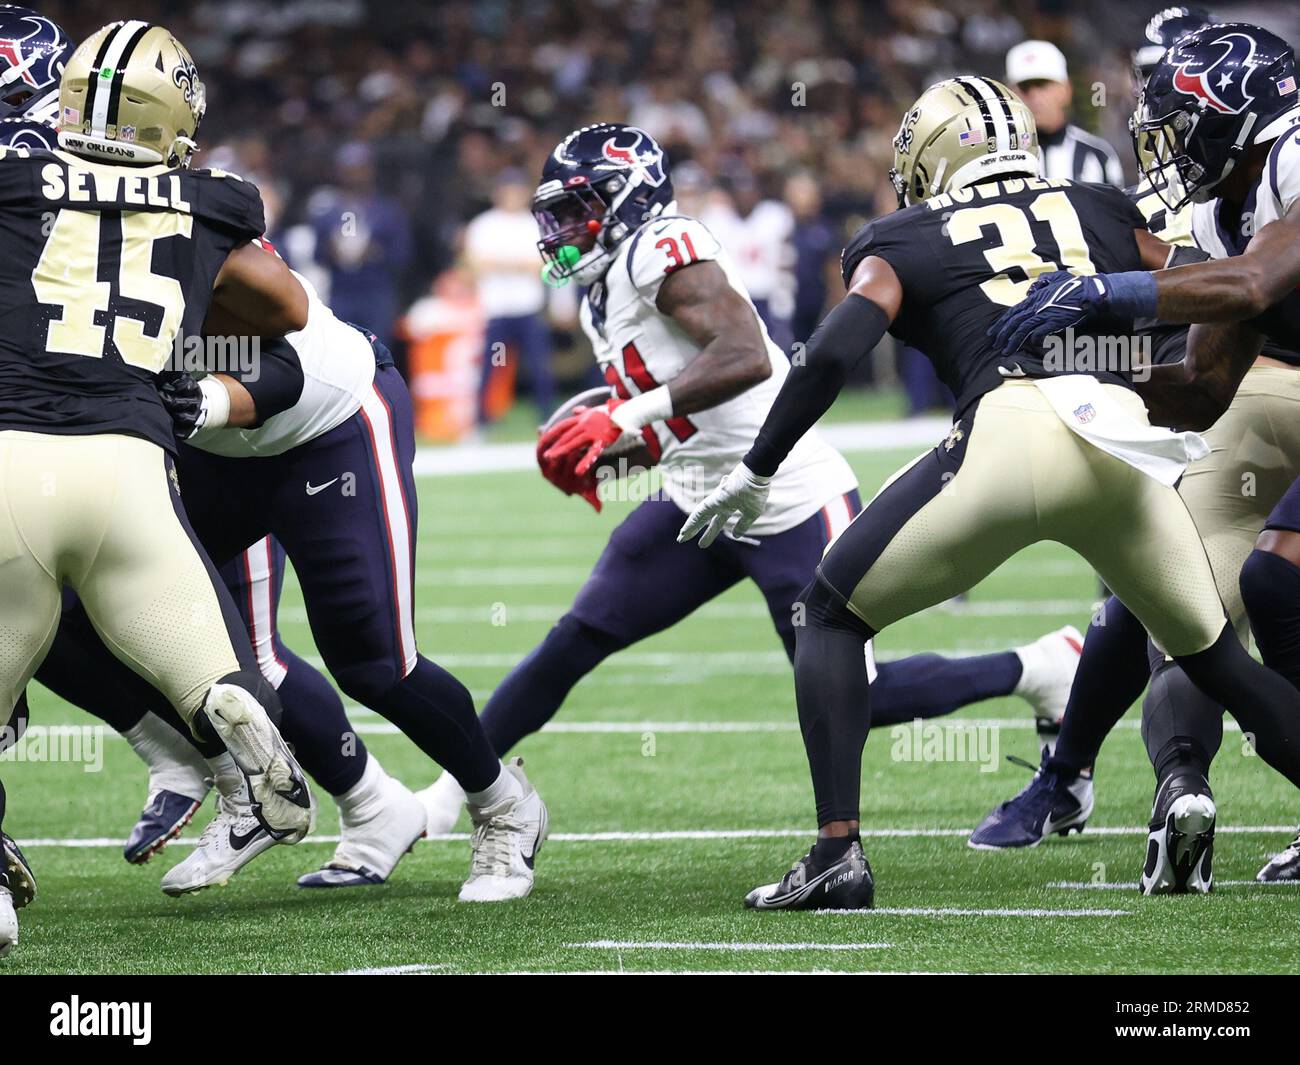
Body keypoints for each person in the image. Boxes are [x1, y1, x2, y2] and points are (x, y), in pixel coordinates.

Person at [681, 75, 1300, 910]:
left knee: (827, 613)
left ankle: (836, 854)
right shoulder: (1098, 207)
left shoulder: (902, 234)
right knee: (1218, 658)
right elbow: (1220, 286)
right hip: (1119, 441)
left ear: (933, 154)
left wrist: (758, 468)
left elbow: (831, 353)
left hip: (1008, 436)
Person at [417, 123, 1084, 833]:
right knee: (573, 641)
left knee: (862, 694)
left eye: (579, 207)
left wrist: (620, 418)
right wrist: (627, 450)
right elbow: (692, 411)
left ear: (628, 199)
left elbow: (745, 355)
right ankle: (443, 798)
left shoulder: (660, 247)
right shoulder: (600, 290)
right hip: (697, 501)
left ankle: (1039, 666)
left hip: (786, 492)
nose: (563, 228)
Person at [0, 19, 318, 953]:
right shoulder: (218, 199)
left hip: (13, 465)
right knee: (202, 663)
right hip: (133, 469)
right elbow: (285, 307)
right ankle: (225, 711)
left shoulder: (13, 181)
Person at [990, 23, 1300, 884]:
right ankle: (1179, 787)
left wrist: (1103, 291)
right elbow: (1204, 383)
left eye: (1179, 119)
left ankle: (1092, 777)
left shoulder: (1295, 158)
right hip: (1282, 394)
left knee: (1270, 581)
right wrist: (1074, 386)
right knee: (1213, 586)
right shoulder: (1218, 205)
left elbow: (1255, 283)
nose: (1163, 140)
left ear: (1236, 114)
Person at [466, 169, 555, 422]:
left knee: (540, 367)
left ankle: (547, 418)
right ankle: (481, 420)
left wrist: (503, 263)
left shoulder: (534, 224)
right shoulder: (484, 224)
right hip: (496, 308)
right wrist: (518, 264)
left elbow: (541, 264)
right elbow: (478, 264)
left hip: (528, 307)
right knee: (490, 366)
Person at [1006, 39, 1123, 185]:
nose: (1034, 96)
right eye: (1025, 87)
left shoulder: (1097, 155)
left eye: (1043, 84)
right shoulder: (999, 158)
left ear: (1066, 90)